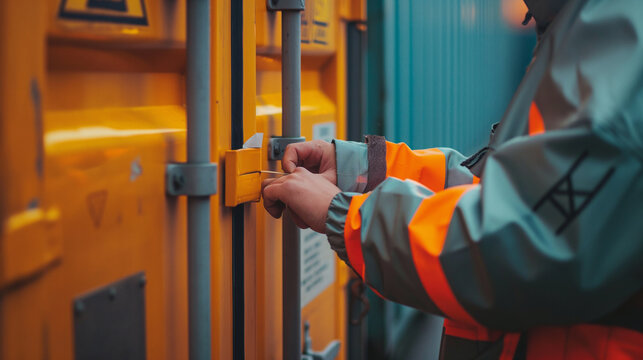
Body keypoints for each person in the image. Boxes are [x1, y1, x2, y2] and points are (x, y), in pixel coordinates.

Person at [261, 0, 643, 358]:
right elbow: (510, 194)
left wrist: (345, 216)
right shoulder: (584, 25)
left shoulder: (619, 36)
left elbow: (519, 243)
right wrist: (361, 169)